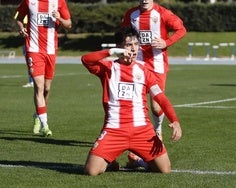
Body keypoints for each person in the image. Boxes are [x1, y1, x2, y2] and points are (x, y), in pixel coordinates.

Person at [81, 26, 182, 176]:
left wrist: (175, 121)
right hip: (114, 130)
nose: (134, 49)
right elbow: (86, 60)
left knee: (164, 170)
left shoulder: (144, 71)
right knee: (91, 171)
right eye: (128, 45)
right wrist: (110, 52)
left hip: (143, 131)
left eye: (136, 44)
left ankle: (138, 161)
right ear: (119, 47)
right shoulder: (108, 68)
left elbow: (160, 97)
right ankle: (110, 161)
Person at [121, 0, 186, 166]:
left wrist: (166, 42)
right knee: (134, 103)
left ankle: (157, 131)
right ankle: (134, 142)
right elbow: (123, 34)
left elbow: (181, 29)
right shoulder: (131, 14)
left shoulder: (163, 13)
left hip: (157, 65)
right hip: (136, 64)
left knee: (156, 106)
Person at [15, 0, 72, 136]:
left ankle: (37, 114)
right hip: (34, 49)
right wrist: (21, 28)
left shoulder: (59, 2)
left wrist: (60, 18)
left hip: (51, 50)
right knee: (39, 87)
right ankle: (45, 125)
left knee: (46, 88)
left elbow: (68, 25)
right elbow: (18, 17)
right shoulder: (29, 1)